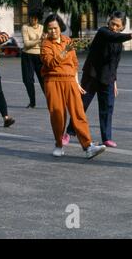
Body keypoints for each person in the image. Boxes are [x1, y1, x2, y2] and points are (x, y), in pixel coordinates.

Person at [40, 14, 106, 159]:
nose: (53, 31)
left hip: (70, 80)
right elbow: (50, 63)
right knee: (58, 115)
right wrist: (64, 51)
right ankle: (58, 144)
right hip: (53, 81)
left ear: (60, 27)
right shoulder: (45, 45)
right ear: (46, 29)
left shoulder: (67, 40)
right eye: (49, 29)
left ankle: (88, 146)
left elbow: (74, 63)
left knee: (78, 113)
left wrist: (76, 83)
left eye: (55, 28)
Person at [63, 11, 132, 148]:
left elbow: (114, 64)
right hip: (92, 76)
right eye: (112, 23)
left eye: (118, 25)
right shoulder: (103, 32)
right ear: (109, 22)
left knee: (107, 108)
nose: (114, 27)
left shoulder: (119, 42)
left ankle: (106, 138)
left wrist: (115, 82)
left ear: (123, 26)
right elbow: (112, 36)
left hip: (107, 78)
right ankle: (69, 132)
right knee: (81, 105)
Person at [21, 7, 45, 108]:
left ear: (38, 19)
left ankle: (51, 100)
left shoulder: (43, 28)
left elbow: (45, 43)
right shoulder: (25, 27)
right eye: (31, 18)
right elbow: (26, 44)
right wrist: (39, 40)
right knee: (28, 80)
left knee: (43, 79)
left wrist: (38, 42)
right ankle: (32, 102)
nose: (32, 20)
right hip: (27, 55)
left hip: (40, 56)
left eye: (35, 18)